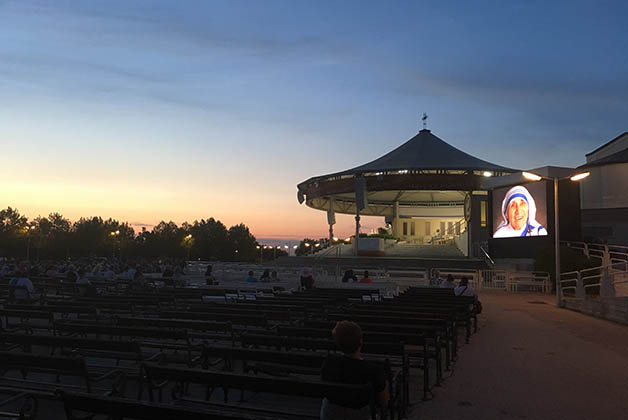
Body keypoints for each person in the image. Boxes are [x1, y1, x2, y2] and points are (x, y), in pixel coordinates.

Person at [320, 321, 388, 419]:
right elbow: (384, 402)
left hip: (329, 415)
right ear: (361, 342)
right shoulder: (373, 370)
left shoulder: (328, 363)